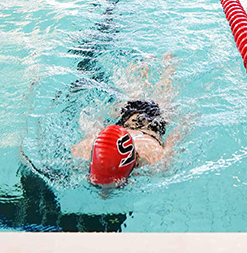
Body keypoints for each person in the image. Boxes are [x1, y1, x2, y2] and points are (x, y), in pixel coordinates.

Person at [71, 53, 176, 185]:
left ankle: (168, 62)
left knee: (164, 89)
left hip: (153, 121)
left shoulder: (153, 156)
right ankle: (149, 61)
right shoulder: (83, 148)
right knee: (138, 90)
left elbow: (174, 140)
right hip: (128, 119)